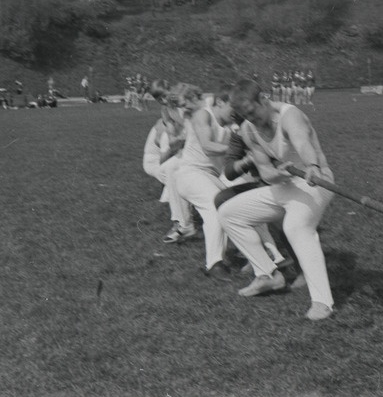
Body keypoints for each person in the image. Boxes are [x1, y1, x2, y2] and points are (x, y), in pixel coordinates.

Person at [218, 79, 336, 321]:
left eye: (252, 112)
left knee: (296, 227)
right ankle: (267, 275)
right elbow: (266, 173)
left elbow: (302, 142)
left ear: (263, 99)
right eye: (244, 116)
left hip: (318, 181)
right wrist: (278, 174)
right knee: (229, 213)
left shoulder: (289, 115)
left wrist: (312, 165)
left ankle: (323, 303)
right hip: (287, 185)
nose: (252, 119)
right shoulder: (249, 130)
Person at [168, 85, 234, 281]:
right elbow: (207, 146)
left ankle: (267, 259)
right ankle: (214, 263)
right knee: (216, 209)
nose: (184, 108)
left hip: (212, 175)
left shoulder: (218, 113)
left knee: (240, 206)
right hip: (191, 173)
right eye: (181, 105)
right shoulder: (200, 115)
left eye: (185, 103)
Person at [143, 109, 195, 243]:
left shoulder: (179, 127)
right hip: (153, 162)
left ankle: (185, 218)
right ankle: (183, 221)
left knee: (179, 174)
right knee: (175, 175)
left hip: (167, 160)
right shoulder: (166, 132)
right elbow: (163, 161)